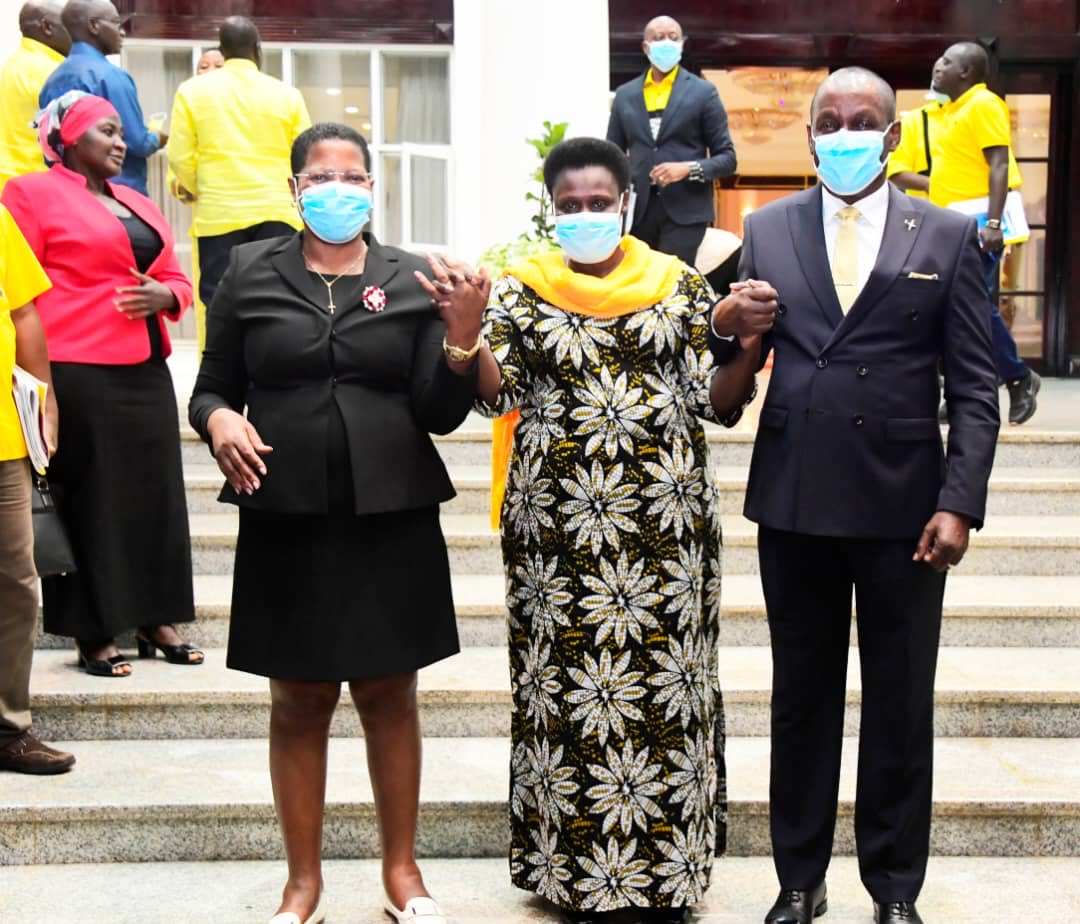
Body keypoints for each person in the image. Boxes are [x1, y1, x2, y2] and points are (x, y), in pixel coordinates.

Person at [417, 136, 756, 924]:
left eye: (599, 203)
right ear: (552, 211)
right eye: (569, 207)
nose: (585, 216)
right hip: (559, 534)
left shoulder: (676, 286)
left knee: (666, 693)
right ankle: (567, 873)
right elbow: (499, 397)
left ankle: (669, 874)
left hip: (666, 534)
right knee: (567, 693)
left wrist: (745, 339)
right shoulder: (525, 290)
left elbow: (717, 399)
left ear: (626, 203)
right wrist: (464, 337)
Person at [708, 68, 999, 924]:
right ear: (808, 137)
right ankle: (799, 881)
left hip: (905, 507)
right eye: (828, 121)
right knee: (802, 698)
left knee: (901, 702)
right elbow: (730, 396)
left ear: (894, 134)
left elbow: (975, 388)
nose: (844, 133)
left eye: (861, 121)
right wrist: (732, 335)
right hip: (795, 501)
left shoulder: (944, 235)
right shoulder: (764, 229)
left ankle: (895, 888)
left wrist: (960, 500)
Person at [189, 122, 477, 924]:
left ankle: (402, 874)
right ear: (293, 190)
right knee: (298, 698)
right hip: (287, 511)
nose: (337, 190)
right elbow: (210, 387)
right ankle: (301, 884)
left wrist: (461, 340)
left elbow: (440, 412)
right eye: (321, 177)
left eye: (352, 176)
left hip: (391, 510)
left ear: (372, 189)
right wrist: (219, 425)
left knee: (391, 693)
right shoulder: (250, 272)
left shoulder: (414, 276)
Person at [2, 91, 200, 678]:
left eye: (122, 135)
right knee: (91, 499)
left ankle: (156, 617)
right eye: (109, 132)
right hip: (72, 367)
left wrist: (169, 296)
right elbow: (20, 289)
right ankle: (94, 630)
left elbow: (172, 273)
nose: (121, 143)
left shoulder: (137, 201)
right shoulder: (29, 193)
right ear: (70, 138)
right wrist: (34, 382)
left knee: (154, 496)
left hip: (143, 369)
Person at [168, 15, 311, 329]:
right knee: (279, 297)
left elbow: (179, 155)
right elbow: (306, 154)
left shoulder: (192, 92)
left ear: (223, 50)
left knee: (221, 301)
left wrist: (198, 187)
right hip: (277, 212)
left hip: (219, 213)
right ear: (258, 49)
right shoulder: (287, 95)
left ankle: (228, 372)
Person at [926, 42, 1039, 425]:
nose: (937, 66)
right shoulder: (952, 110)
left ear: (966, 72)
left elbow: (999, 165)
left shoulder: (984, 104)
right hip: (951, 225)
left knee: (972, 310)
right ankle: (965, 392)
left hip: (977, 225)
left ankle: (1019, 379)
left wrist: (992, 224)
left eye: (946, 62)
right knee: (953, 312)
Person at [0, 203, 75, 776]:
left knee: (17, 580)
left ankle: (8, 725)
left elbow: (24, 312)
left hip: (3, 439)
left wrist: (43, 396)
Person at [606, 14, 737, 265]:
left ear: (682, 44)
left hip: (686, 210)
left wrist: (688, 168)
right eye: (658, 38)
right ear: (646, 47)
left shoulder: (703, 92)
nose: (666, 42)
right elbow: (612, 155)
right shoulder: (625, 95)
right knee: (638, 281)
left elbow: (728, 159)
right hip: (639, 211)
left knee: (672, 283)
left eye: (673, 37)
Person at [39, 0, 166, 196]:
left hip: (67, 193)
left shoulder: (52, 81)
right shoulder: (111, 77)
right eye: (116, 23)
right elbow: (138, 143)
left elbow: (50, 149)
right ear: (94, 26)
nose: (122, 32)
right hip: (116, 195)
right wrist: (157, 138)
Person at [0, 0, 71, 193]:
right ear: (47, 27)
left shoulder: (13, 63)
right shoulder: (50, 71)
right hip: (38, 186)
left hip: (9, 182)